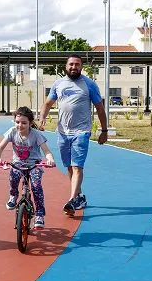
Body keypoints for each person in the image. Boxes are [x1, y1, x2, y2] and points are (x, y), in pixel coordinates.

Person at [39, 54, 108, 216]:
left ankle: (71, 200)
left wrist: (104, 131)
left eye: (77, 64)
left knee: (77, 167)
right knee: (69, 167)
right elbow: (48, 103)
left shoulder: (89, 84)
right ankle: (79, 196)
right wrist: (42, 118)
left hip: (81, 132)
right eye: (71, 64)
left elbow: (99, 108)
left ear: (81, 67)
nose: (74, 67)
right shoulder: (58, 84)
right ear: (66, 66)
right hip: (62, 132)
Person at [0, 106, 55, 229]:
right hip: (18, 164)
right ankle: (13, 195)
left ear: (30, 123)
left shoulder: (36, 134)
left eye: (24, 123)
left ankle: (39, 215)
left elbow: (47, 151)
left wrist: (50, 159)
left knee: (36, 186)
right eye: (17, 122)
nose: (20, 125)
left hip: (34, 165)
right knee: (14, 175)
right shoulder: (12, 132)